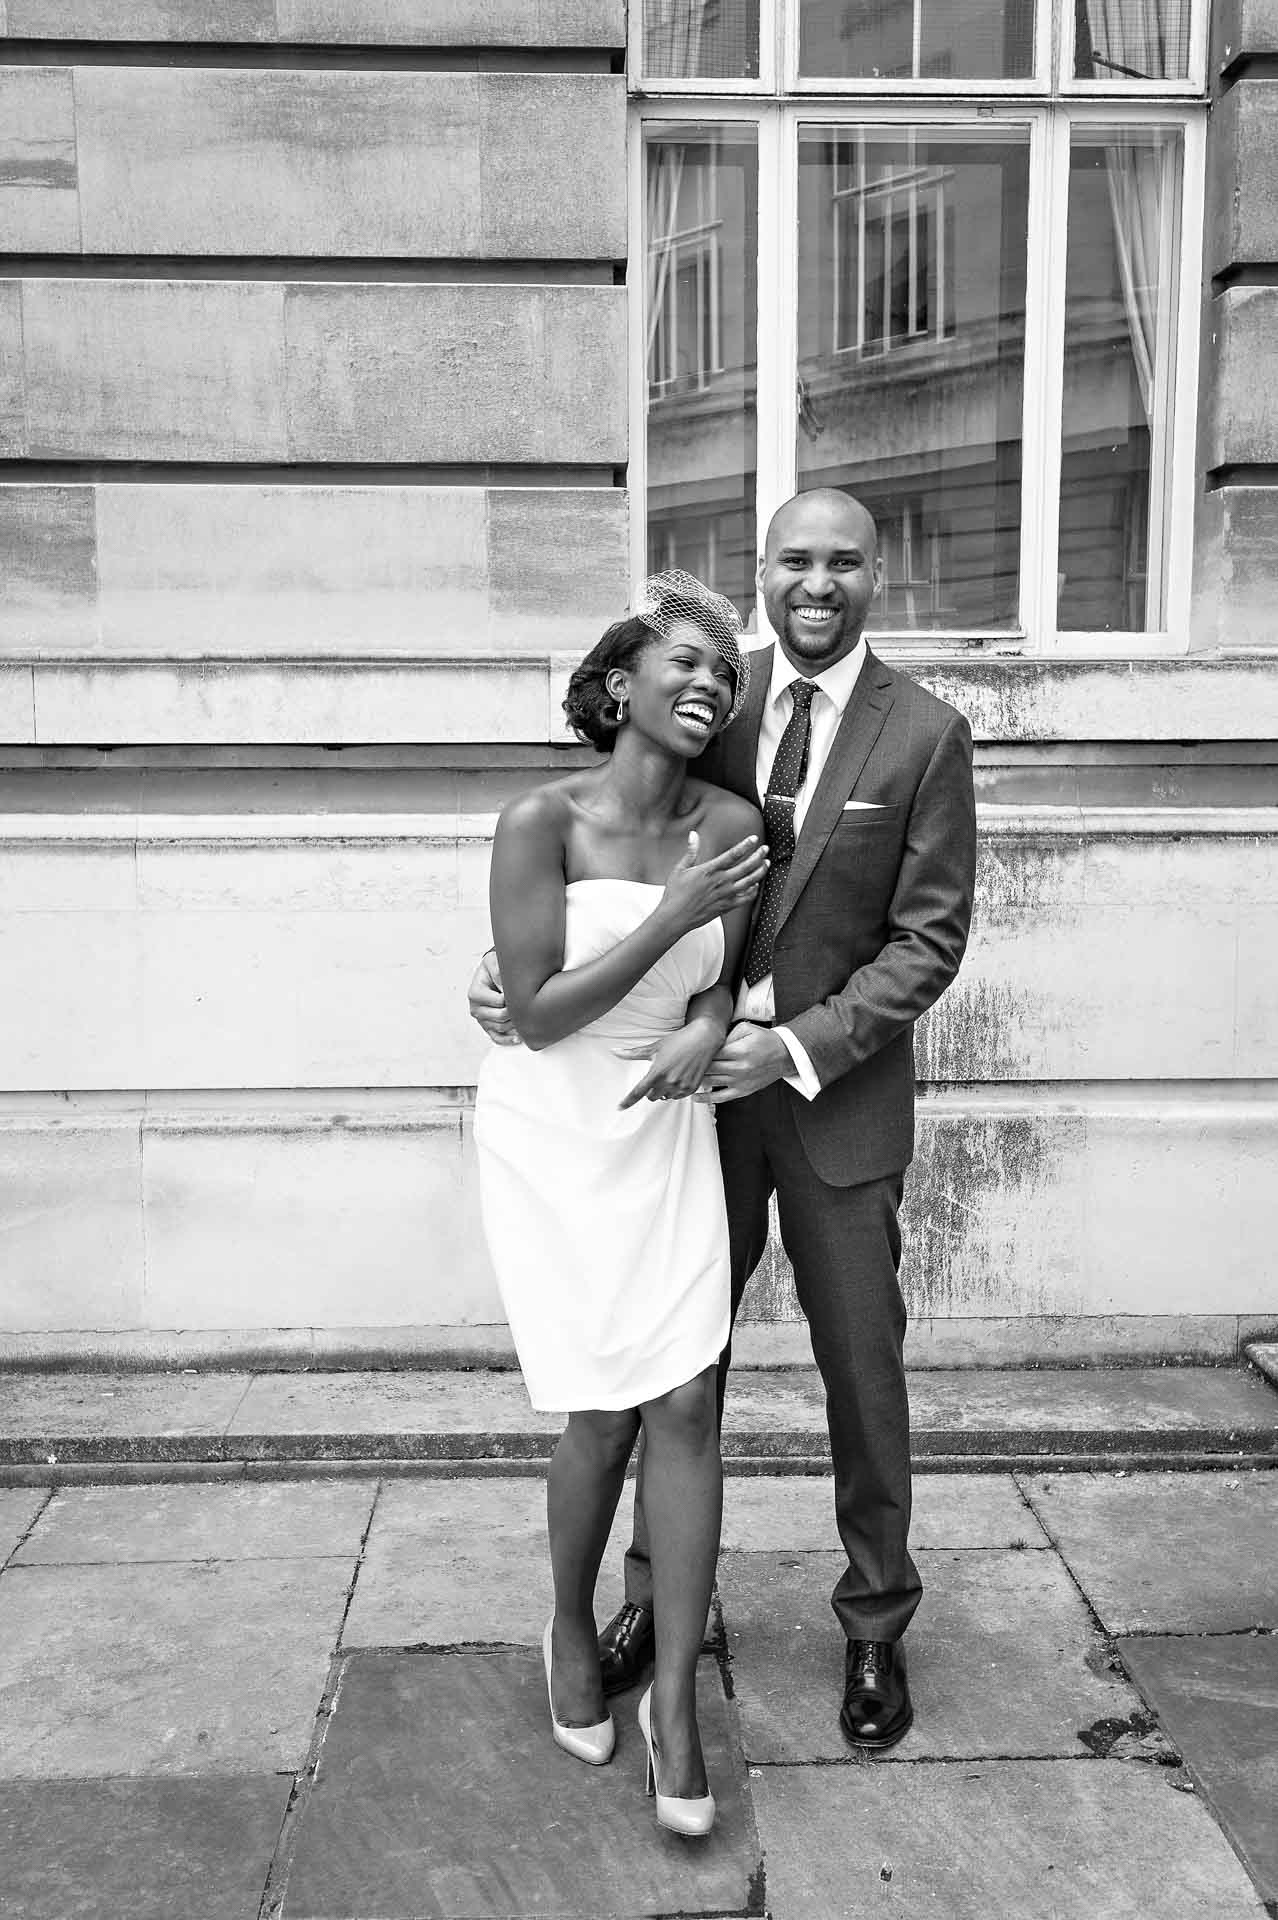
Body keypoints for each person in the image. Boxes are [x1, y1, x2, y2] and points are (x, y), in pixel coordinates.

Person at [471, 489, 978, 1753]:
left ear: (877, 577)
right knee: (668, 1375)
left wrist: (794, 1047)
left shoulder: (926, 734)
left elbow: (930, 941)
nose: (818, 583)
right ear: (761, 572)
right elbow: (616, 850)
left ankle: (873, 1623)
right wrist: (497, 975)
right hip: (679, 1120)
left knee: (863, 1377)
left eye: (845, 563)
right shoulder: (707, 692)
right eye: (795, 560)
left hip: (833, 1109)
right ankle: (653, 1608)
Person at [472, 571, 766, 1836]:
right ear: (616, 687)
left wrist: (710, 1025)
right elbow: (534, 1016)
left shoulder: (735, 820)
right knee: (598, 1417)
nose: (709, 685)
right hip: (555, 1131)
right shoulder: (539, 819)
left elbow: (724, 979)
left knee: (689, 1397)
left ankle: (680, 1710)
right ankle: (569, 1628)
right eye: (685, 665)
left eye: (725, 676)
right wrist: (674, 917)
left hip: (666, 1128)